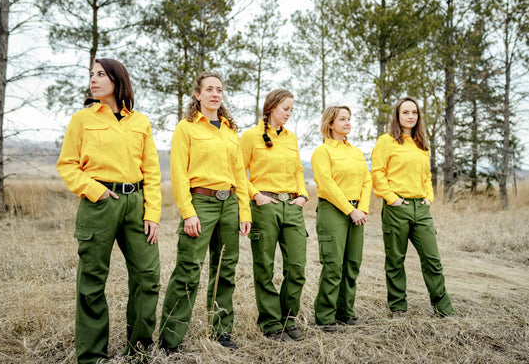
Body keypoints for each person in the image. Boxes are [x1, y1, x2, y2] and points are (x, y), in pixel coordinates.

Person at [56, 58, 162, 364]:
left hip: (137, 204)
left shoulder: (140, 121)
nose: (94, 79)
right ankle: (92, 356)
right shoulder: (82, 119)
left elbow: (152, 172)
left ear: (117, 80)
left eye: (101, 74)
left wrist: (152, 214)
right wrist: (95, 190)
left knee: (148, 276)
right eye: (91, 75)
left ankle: (139, 349)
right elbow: (67, 165)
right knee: (92, 280)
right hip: (99, 203)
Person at [158, 71, 251, 352]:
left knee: (225, 269)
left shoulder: (230, 130)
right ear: (197, 94)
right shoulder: (186, 128)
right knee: (188, 270)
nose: (214, 94)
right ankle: (170, 339)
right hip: (201, 203)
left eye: (219, 89)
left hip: (230, 205)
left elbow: (240, 174)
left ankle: (221, 331)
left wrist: (244, 212)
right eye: (209, 89)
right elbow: (178, 174)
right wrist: (188, 212)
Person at [371, 96, 455, 317]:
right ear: (397, 116)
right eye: (405, 112)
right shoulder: (386, 141)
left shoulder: (422, 145)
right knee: (396, 260)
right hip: (397, 208)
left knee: (432, 259)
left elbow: (426, 175)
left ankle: (443, 309)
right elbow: (378, 173)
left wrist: (429, 197)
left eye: (414, 113)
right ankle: (398, 307)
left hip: (421, 209)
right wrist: (392, 198)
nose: (410, 116)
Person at [240, 89, 308, 342]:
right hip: (265, 206)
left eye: (291, 109)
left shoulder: (292, 138)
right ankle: (270, 322)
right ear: (271, 108)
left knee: (297, 267)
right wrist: (256, 195)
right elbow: (238, 171)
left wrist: (302, 195)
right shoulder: (250, 136)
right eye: (285, 109)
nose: (289, 114)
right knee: (264, 267)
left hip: (292, 205)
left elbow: (299, 169)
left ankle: (289, 319)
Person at [311, 106, 372, 331]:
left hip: (357, 212)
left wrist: (362, 209)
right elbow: (326, 185)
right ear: (330, 124)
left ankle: (346, 313)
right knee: (333, 265)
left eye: (349, 119)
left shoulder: (356, 152)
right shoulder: (322, 152)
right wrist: (350, 210)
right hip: (333, 211)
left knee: (352, 264)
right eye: (342, 119)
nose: (348, 123)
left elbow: (367, 180)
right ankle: (325, 318)